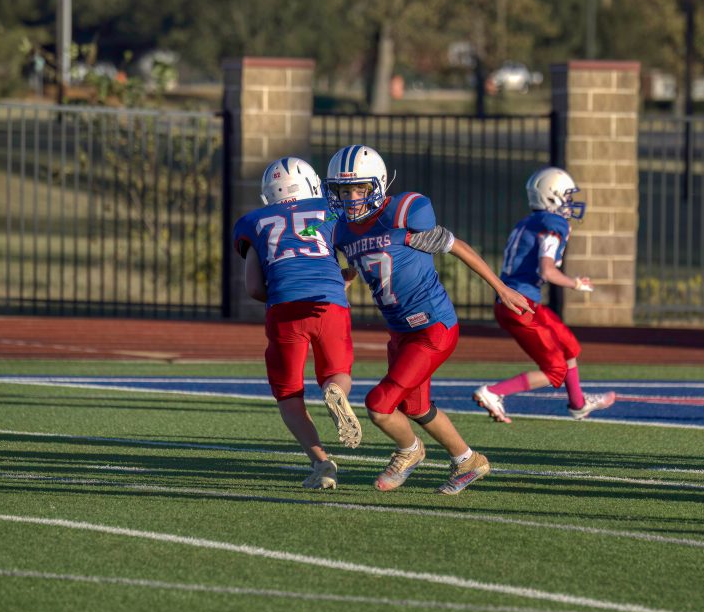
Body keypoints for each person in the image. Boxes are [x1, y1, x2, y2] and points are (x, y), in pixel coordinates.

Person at [324, 144, 530, 495]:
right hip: (400, 331)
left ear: (378, 185)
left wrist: (501, 288)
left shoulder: (402, 216)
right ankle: (468, 460)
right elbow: (365, 262)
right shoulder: (342, 230)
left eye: (360, 189)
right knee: (415, 406)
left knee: (379, 405)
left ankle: (409, 451)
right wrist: (345, 277)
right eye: (344, 191)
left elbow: (457, 246)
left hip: (433, 327)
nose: (352, 198)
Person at [233, 157, 362, 490]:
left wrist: (283, 291)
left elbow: (253, 287)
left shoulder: (254, 222)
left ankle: (322, 463)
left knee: (289, 394)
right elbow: (354, 256)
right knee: (337, 373)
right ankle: (336, 392)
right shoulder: (330, 211)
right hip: (327, 303)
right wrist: (342, 282)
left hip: (285, 309)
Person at [472, 166, 615, 424]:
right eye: (566, 196)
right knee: (555, 370)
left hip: (521, 301)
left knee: (568, 344)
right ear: (551, 196)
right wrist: (574, 283)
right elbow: (547, 270)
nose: (570, 203)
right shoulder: (553, 224)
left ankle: (578, 403)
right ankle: (493, 392)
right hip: (520, 304)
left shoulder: (528, 222)